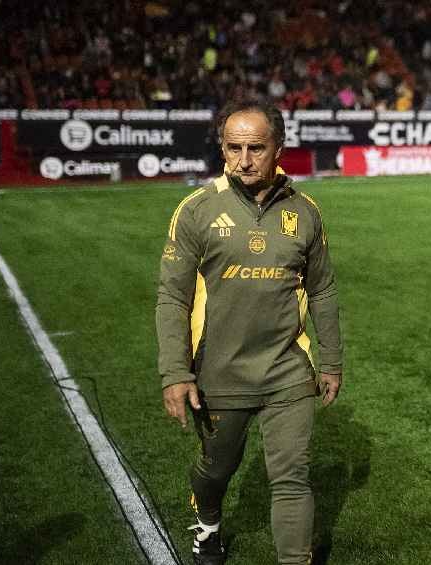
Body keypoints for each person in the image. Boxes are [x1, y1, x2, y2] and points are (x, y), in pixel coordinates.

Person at [156, 99, 344, 565]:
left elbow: (322, 289)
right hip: (219, 373)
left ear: (278, 147)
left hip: (287, 370)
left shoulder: (305, 211)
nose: (243, 160)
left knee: (292, 477)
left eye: (255, 148)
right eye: (232, 148)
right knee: (216, 471)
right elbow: (172, 298)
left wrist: (332, 360)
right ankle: (208, 525)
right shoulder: (196, 211)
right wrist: (175, 373)